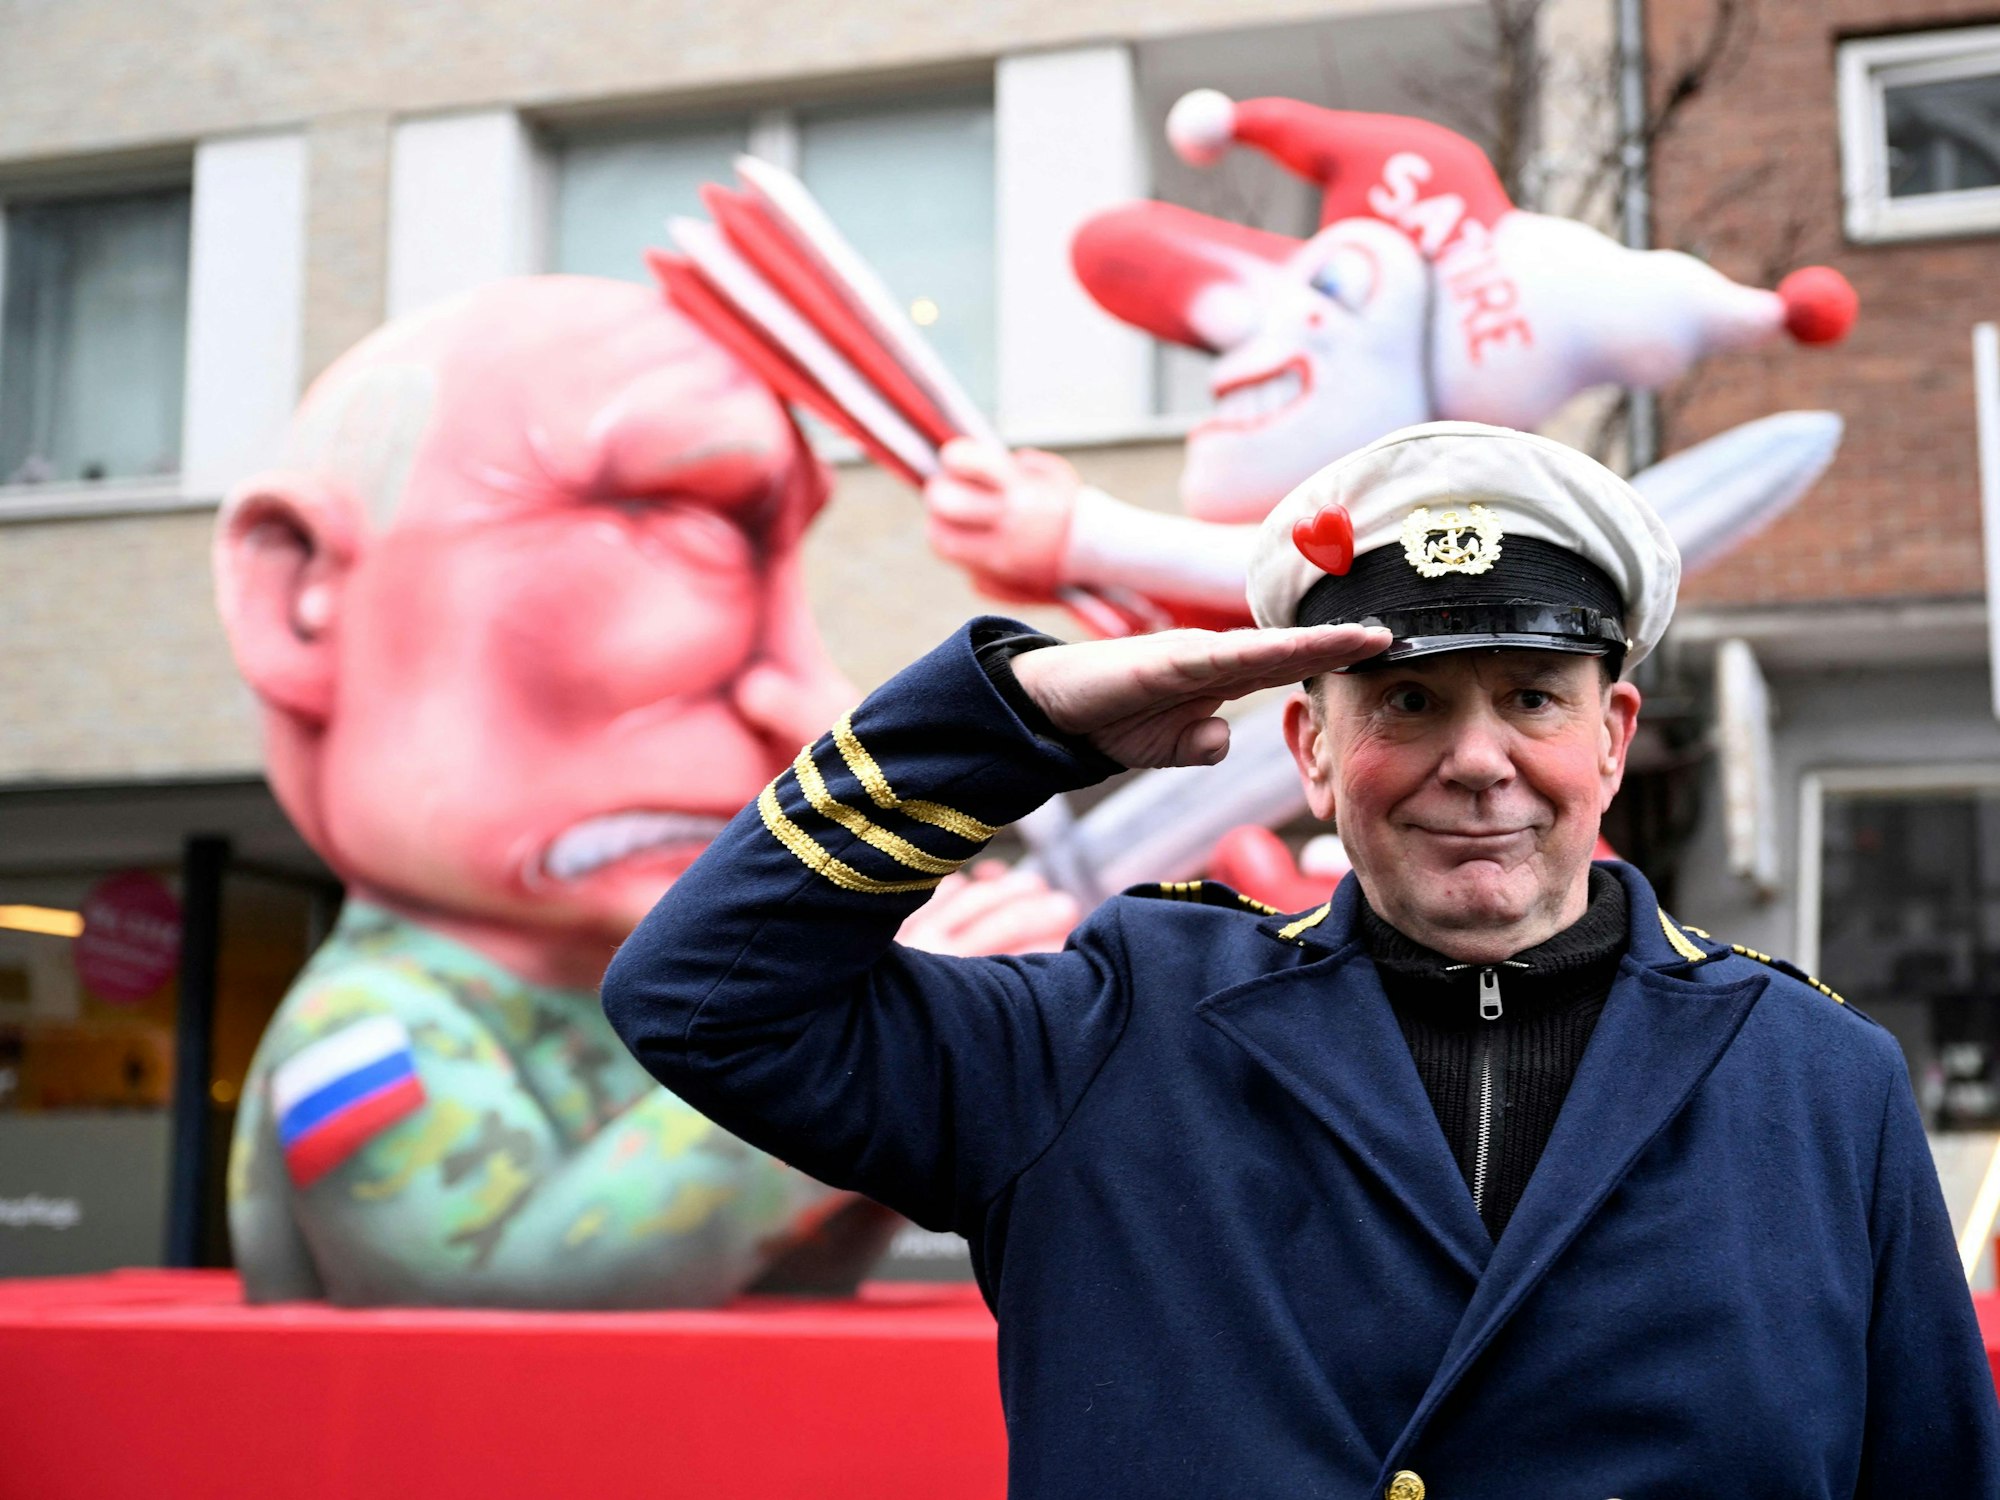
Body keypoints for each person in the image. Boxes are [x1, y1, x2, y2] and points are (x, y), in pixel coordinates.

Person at [602, 421, 2000, 1493]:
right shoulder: (1118, 1031)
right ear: (1310, 749)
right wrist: (1013, 716)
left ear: (1613, 738)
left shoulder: (1819, 1081)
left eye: (1531, 698)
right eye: (1406, 701)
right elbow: (706, 996)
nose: (1477, 761)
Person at [217, 278, 1075, 1308]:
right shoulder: (369, 1031)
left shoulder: (635, 1009)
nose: (806, 699)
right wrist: (824, 1050)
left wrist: (902, 1048)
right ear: (300, 600)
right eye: (679, 526)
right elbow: (507, 1284)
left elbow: (778, 1276)